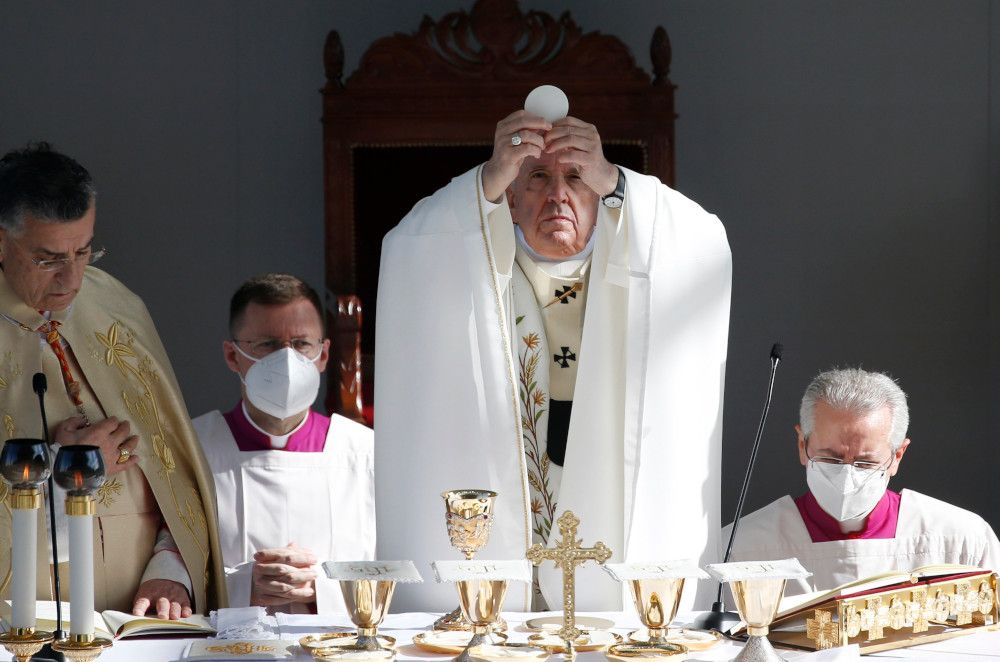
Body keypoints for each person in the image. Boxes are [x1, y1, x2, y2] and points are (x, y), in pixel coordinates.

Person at [375, 106, 732, 611]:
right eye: (538, 177)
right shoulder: (474, 268)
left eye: (577, 179)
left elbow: (707, 243)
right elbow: (407, 247)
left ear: (599, 195)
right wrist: (484, 179)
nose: (558, 195)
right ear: (512, 200)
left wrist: (616, 178)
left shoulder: (642, 265)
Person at [0, 143, 226, 617]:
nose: (72, 278)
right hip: (26, 623)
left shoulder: (117, 308)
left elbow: (174, 468)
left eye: (84, 251)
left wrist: (172, 564)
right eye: (48, 259)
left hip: (140, 617)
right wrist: (64, 469)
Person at [726, 368, 1000, 595]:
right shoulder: (740, 547)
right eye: (831, 459)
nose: (847, 478)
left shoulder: (963, 538)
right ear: (802, 445)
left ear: (897, 456)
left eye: (866, 463)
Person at [192, 273, 374, 613]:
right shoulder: (192, 447)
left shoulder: (363, 453)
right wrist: (244, 586)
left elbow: (394, 569)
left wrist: (321, 587)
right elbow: (169, 565)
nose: (287, 360)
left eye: (302, 344)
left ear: (323, 355)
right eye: (268, 345)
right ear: (232, 356)